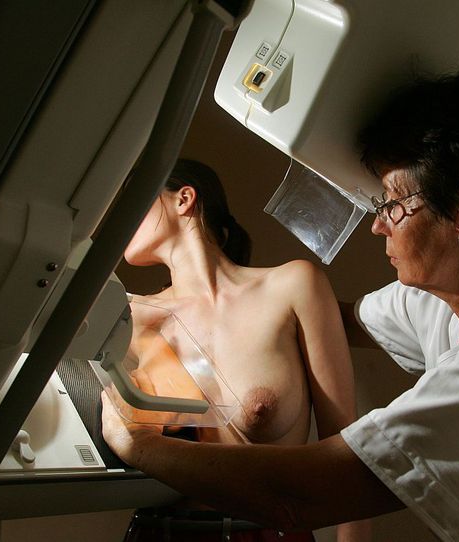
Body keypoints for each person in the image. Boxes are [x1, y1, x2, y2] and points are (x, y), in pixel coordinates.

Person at [103, 68, 459, 541]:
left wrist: (135, 444)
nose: (379, 225)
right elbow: (331, 319)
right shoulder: (445, 295)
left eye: (392, 205)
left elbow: (302, 498)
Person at [112, 158, 365, 540]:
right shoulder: (131, 317)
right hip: (160, 532)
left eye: (135, 198)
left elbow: (347, 456)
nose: (121, 217)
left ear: (183, 199)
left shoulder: (293, 286)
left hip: (266, 534)